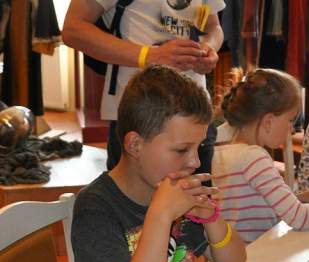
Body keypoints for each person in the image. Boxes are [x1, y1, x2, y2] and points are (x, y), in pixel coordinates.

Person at [72, 66, 246, 262]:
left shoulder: (174, 189)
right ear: (135, 144)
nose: (194, 161)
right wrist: (161, 215)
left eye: (199, 147)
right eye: (181, 150)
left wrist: (211, 218)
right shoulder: (95, 208)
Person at [62, 0, 225, 183]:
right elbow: (72, 30)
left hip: (196, 115)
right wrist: (149, 55)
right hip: (139, 116)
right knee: (131, 199)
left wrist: (208, 49)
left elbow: (213, 26)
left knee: (197, 197)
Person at [213, 68, 309, 243]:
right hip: (257, 252)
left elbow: (256, 205)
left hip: (233, 253)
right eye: (290, 120)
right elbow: (299, 218)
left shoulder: (220, 153)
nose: (291, 129)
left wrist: (298, 198)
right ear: (269, 121)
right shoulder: (254, 157)